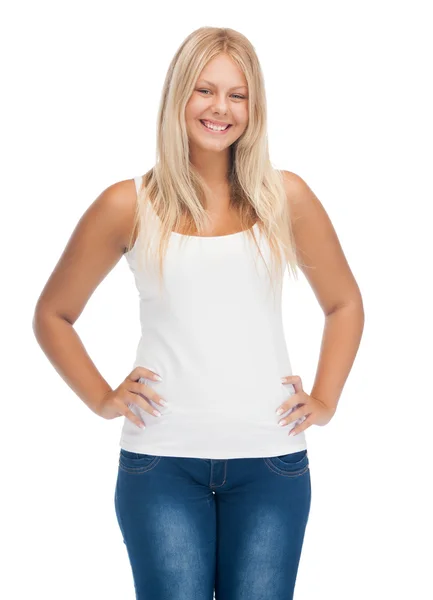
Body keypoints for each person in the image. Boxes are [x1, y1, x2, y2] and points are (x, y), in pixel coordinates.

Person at [32, 26, 364, 600]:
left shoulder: (287, 198)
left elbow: (344, 303)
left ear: (254, 107)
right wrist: (103, 398)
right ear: (177, 97)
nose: (220, 108)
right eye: (204, 90)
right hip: (160, 465)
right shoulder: (128, 204)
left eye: (238, 94)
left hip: (271, 462)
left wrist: (327, 400)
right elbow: (53, 314)